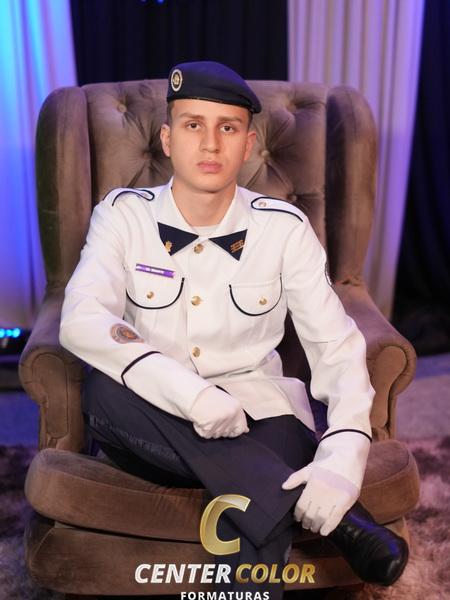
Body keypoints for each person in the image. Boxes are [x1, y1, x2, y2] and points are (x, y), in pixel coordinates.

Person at [59, 61, 408, 598]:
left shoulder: (284, 229)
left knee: (262, 474)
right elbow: (82, 318)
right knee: (103, 389)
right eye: (193, 125)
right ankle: (345, 526)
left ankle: (260, 493)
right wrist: (191, 395)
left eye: (227, 127)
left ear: (248, 145)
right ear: (167, 139)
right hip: (148, 415)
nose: (210, 143)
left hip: (258, 417)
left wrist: (342, 454)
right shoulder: (123, 216)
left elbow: (335, 346)